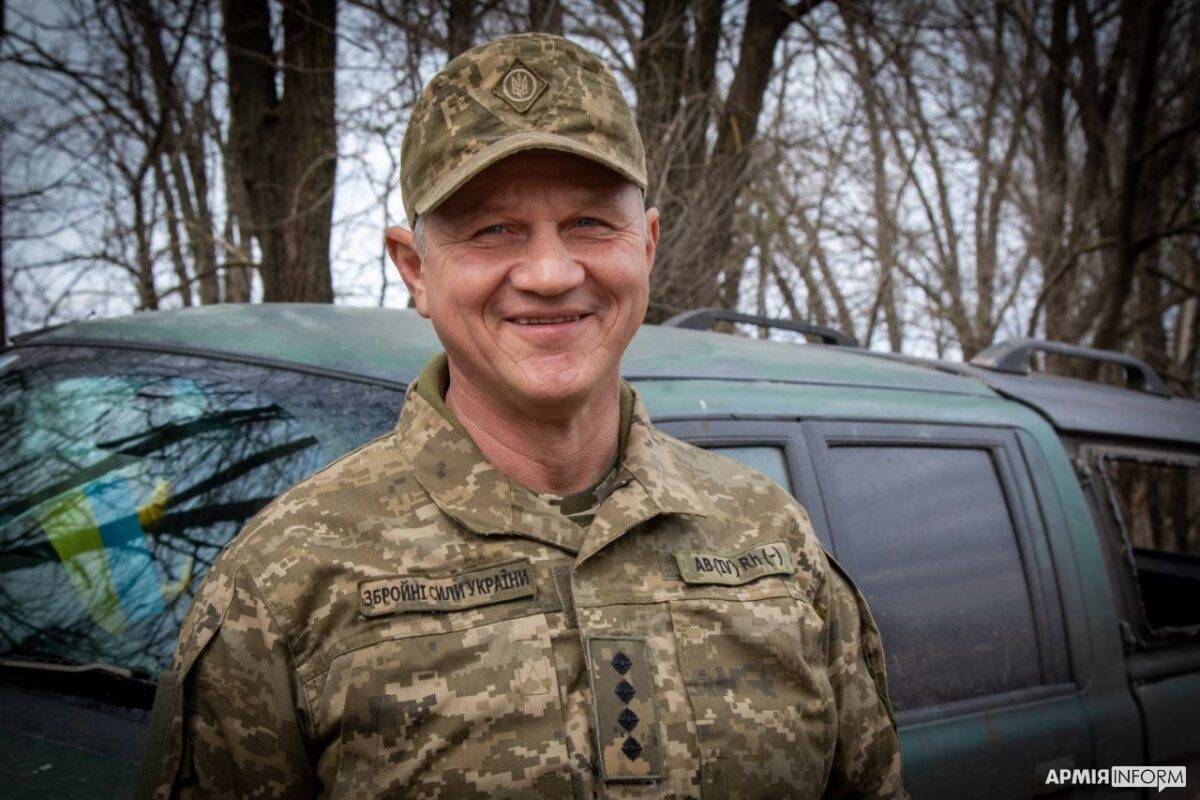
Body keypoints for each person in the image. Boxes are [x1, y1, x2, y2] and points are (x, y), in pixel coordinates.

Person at [138, 32, 905, 800]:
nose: (549, 273)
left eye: (590, 223)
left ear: (646, 245)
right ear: (415, 269)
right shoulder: (284, 583)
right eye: (493, 229)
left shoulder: (770, 539)